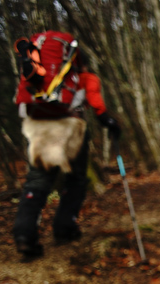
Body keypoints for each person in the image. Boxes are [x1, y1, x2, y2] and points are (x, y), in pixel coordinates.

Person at [12, 36, 121, 260]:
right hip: (70, 126)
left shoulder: (37, 79)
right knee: (76, 178)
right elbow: (98, 108)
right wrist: (110, 123)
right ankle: (65, 227)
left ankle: (24, 235)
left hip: (37, 126)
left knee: (37, 181)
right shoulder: (83, 78)